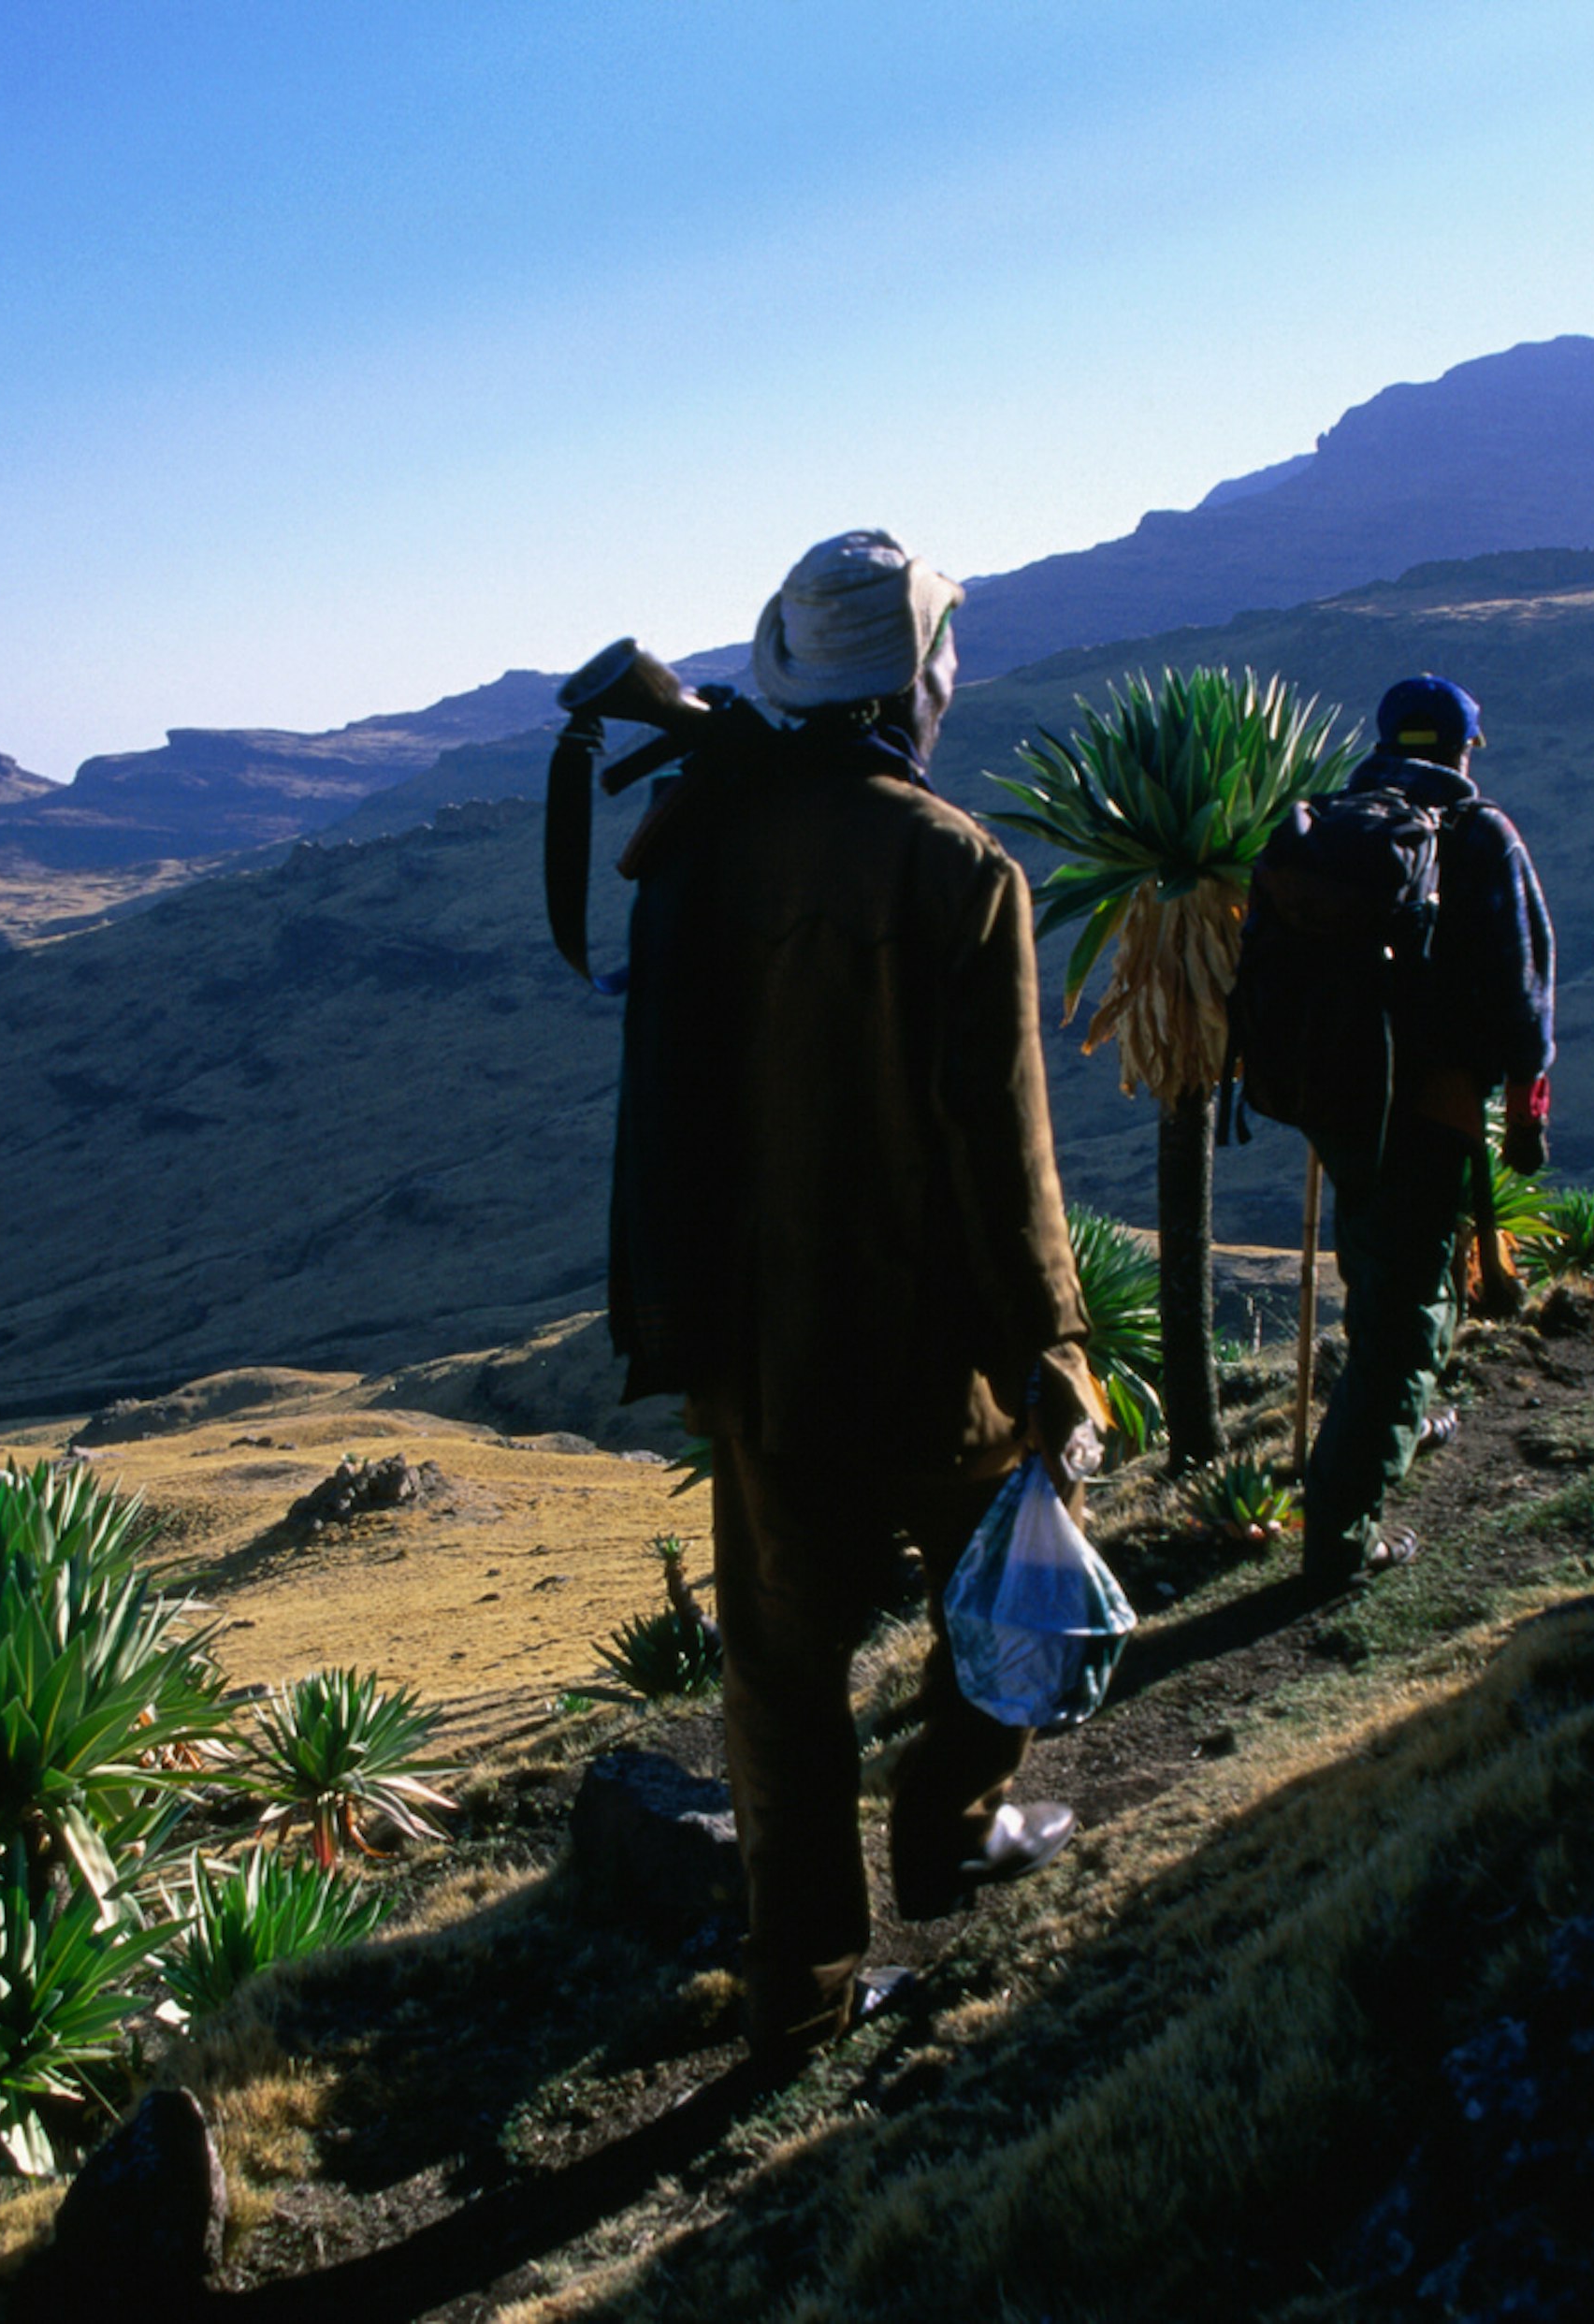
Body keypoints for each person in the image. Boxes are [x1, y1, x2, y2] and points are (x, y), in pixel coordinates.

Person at [606, 529, 1101, 2070]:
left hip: (759, 1353)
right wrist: (1057, 1350)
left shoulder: (699, 844)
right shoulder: (959, 868)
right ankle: (952, 1831)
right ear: (920, 680)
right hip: (930, 1352)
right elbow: (1000, 1148)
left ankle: (801, 1991)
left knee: (781, 1669)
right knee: (1012, 1604)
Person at [1299, 674, 1557, 1589]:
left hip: (1337, 1102)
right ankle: (1339, 1534)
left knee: (1383, 1277)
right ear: (1463, 748)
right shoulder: (1481, 835)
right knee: (1411, 1321)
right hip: (1433, 1108)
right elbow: (1526, 998)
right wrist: (1526, 1117)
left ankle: (1401, 1424)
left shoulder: (1330, 826)